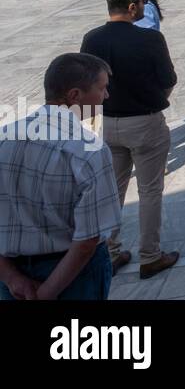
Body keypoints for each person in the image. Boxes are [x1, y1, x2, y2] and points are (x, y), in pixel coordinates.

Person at [79, 0, 179, 278]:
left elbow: (85, 84)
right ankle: (150, 255)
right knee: (150, 191)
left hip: (109, 123)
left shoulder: (92, 39)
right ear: (133, 6)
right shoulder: (150, 39)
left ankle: (109, 252)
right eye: (143, 1)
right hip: (145, 121)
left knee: (112, 190)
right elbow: (168, 80)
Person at [0, 53, 120, 300]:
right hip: (73, 275)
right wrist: (47, 293)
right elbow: (88, 238)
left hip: (11, 274)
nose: (106, 96)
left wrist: (13, 279)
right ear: (75, 95)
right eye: (102, 88)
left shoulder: (3, 137)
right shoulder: (87, 151)